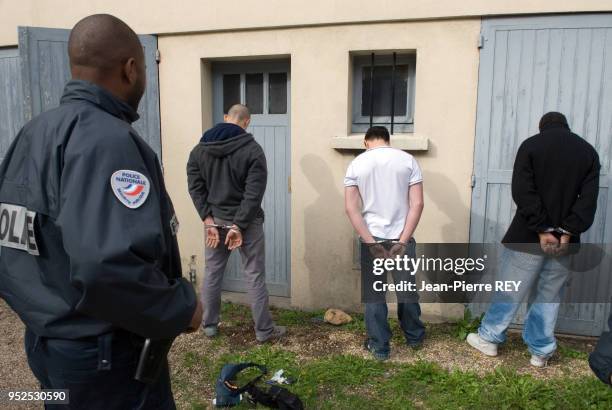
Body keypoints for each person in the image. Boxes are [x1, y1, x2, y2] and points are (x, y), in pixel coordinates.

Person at [0, 14, 202, 409]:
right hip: (104, 362)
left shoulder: (33, 133)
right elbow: (104, 266)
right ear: (130, 70)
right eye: (143, 67)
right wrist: (181, 308)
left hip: (50, 347)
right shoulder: (108, 142)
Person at [467, 112, 600, 367]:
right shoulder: (587, 152)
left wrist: (542, 229)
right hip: (565, 242)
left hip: (527, 237)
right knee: (549, 296)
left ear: (542, 128)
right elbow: (588, 200)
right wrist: (567, 231)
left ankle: (490, 338)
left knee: (510, 288)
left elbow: (522, 190)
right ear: (566, 126)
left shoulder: (531, 145)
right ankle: (540, 351)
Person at [187, 104, 286, 343]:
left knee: (212, 273)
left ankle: (209, 325)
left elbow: (195, 187)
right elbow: (254, 194)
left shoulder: (199, 150)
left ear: (225, 118)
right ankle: (264, 331)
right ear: (247, 122)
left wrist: (208, 220)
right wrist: (238, 226)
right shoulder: (253, 150)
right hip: (247, 225)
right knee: (254, 275)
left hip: (215, 224)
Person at [344, 125, 425, 360]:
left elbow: (351, 208)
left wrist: (370, 243)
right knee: (407, 289)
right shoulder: (408, 160)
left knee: (374, 295)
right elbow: (417, 204)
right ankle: (415, 337)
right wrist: (403, 239)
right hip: (402, 237)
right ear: (388, 140)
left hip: (373, 238)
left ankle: (380, 347)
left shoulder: (357, 163)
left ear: (366, 142)